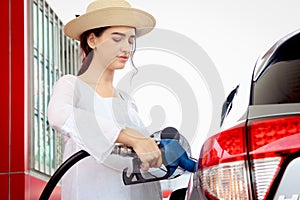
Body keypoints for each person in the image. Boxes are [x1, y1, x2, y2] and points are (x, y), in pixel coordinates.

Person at [47, 0, 163, 199]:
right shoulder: (72, 86)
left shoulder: (127, 101)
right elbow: (59, 115)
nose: (126, 48)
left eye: (130, 40)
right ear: (92, 40)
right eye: (117, 39)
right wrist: (127, 136)